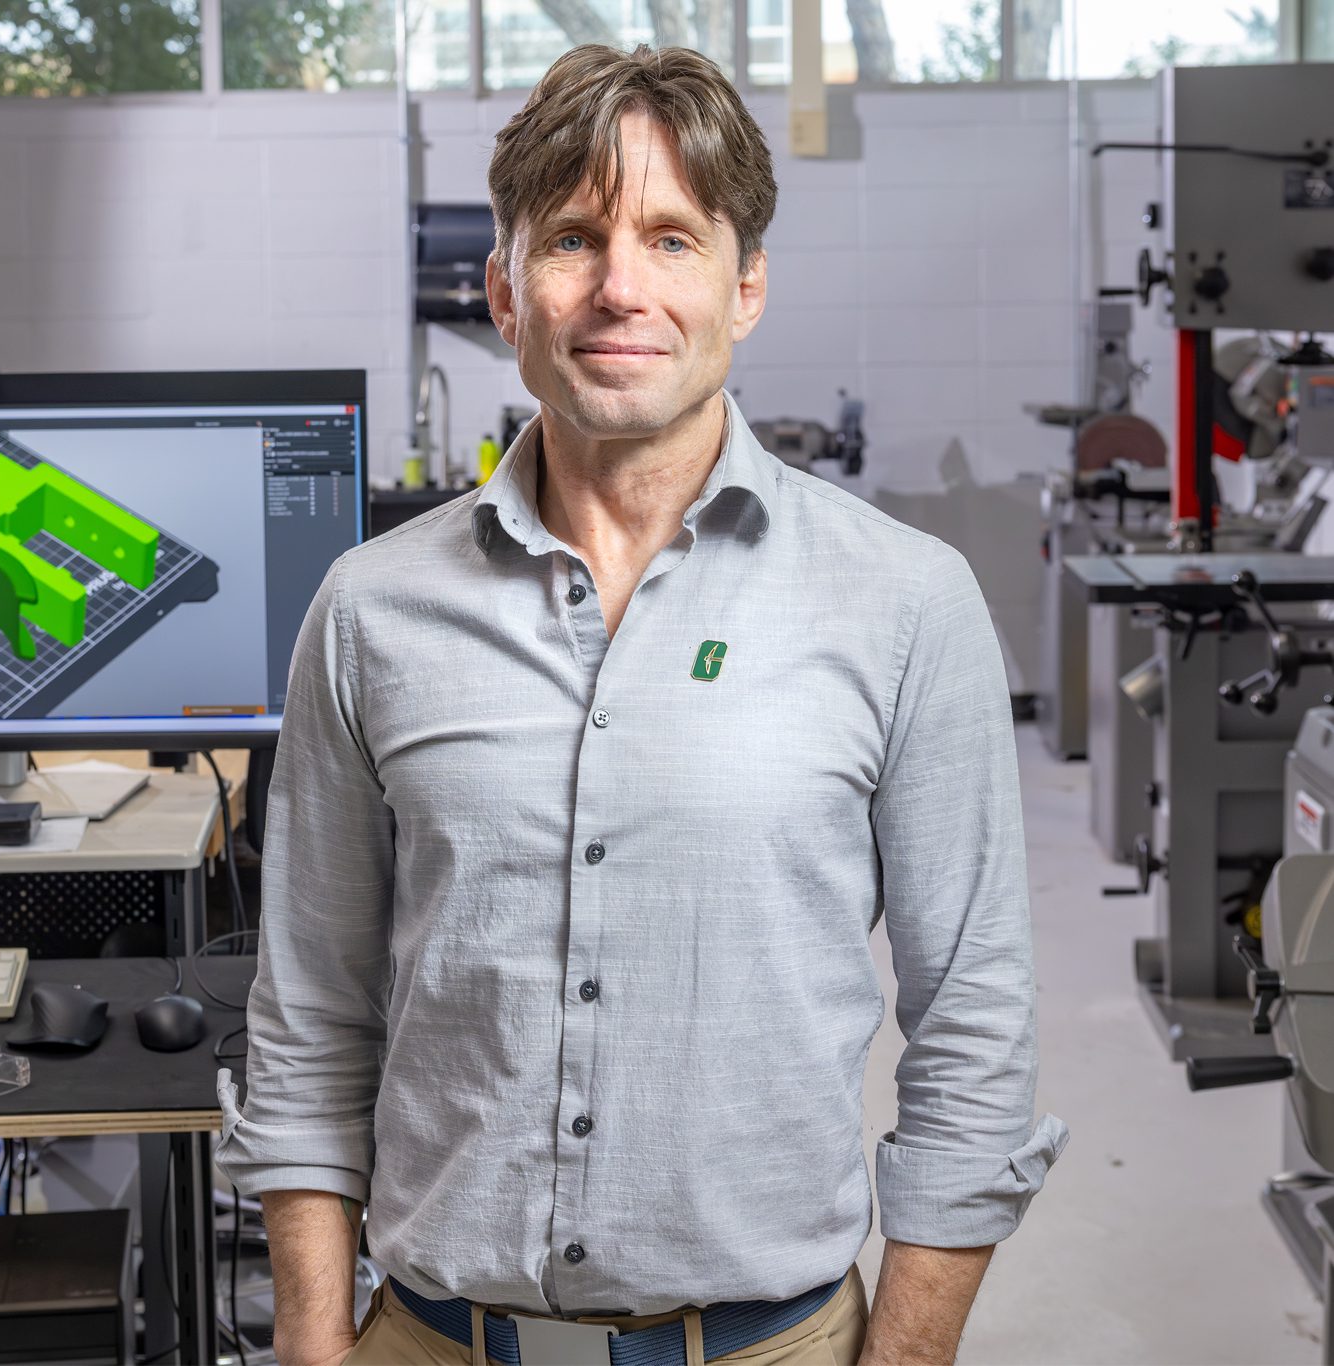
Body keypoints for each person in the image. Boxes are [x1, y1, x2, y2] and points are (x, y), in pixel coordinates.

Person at [215, 42, 1067, 1366]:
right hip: (428, 1339)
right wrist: (315, 1345)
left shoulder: (904, 601)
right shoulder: (371, 608)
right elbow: (312, 1012)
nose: (621, 288)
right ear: (505, 290)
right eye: (572, 239)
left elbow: (972, 1022)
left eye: (672, 238)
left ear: (746, 284)